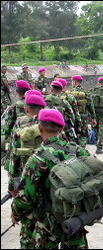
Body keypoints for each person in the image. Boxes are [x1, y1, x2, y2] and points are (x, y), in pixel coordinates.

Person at [11, 109, 90, 249]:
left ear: (39, 128)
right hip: (75, 216)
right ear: (61, 129)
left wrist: (16, 213)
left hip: (47, 221)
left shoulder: (37, 158)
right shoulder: (77, 150)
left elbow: (26, 197)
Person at [6, 93, 46, 249]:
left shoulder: (20, 128)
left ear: (26, 109)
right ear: (43, 108)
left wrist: (13, 190)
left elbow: (13, 163)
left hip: (27, 186)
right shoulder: (53, 126)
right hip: (50, 188)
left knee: (27, 231)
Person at [68, 75, 97, 147]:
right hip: (83, 117)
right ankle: (82, 148)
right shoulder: (86, 92)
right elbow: (91, 106)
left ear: (74, 82)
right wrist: (93, 118)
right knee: (84, 135)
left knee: (72, 135)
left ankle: (74, 149)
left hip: (72, 119)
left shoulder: (69, 93)